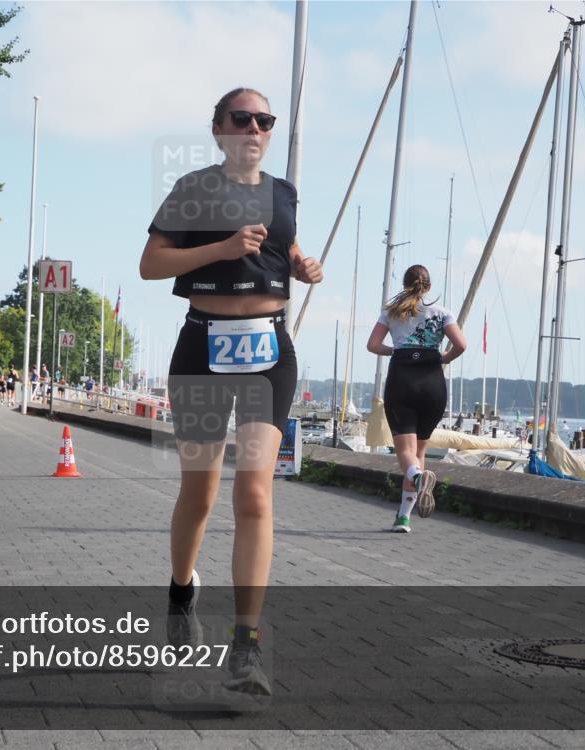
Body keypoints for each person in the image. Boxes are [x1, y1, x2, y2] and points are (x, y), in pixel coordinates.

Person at [141, 87, 323, 695]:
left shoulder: (284, 193)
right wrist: (220, 248)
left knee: (254, 493)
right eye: (241, 118)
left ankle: (245, 646)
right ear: (218, 128)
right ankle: (181, 590)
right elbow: (151, 263)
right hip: (202, 348)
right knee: (200, 493)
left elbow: (282, 245)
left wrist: (302, 265)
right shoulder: (194, 189)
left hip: (269, 351)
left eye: (264, 120)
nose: (253, 127)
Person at [366, 264, 466, 533]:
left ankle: (419, 479)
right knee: (418, 452)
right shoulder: (442, 312)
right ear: (428, 287)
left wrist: (396, 351)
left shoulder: (391, 312)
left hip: (403, 381)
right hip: (433, 384)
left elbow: (373, 345)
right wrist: (442, 358)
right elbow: (462, 344)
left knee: (405, 454)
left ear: (404, 284)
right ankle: (403, 517)